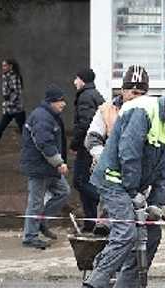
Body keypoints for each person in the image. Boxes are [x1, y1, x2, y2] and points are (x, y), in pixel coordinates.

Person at [76, 80, 165, 288]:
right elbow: (128, 154)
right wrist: (134, 192)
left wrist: (156, 203)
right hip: (113, 180)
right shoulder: (143, 111)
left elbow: (164, 169)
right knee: (126, 232)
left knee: (151, 233)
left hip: (130, 187)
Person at [84, 64, 150, 235]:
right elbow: (92, 138)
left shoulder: (151, 111)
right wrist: (105, 159)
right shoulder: (106, 110)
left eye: (142, 94)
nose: (137, 98)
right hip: (109, 178)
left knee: (136, 228)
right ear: (123, 90)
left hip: (138, 177)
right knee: (106, 227)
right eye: (133, 93)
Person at [19, 85, 70, 249]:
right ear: (52, 102)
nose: (64, 104)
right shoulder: (42, 117)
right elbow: (44, 142)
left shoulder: (50, 115)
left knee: (63, 192)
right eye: (60, 100)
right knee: (35, 202)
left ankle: (41, 221)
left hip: (47, 167)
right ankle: (30, 237)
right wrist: (58, 162)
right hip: (39, 167)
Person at [71, 68, 105, 232]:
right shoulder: (95, 94)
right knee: (86, 183)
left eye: (76, 79)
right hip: (93, 146)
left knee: (79, 182)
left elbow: (84, 125)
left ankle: (107, 201)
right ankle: (90, 223)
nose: (74, 82)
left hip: (86, 147)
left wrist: (75, 144)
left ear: (82, 80)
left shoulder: (85, 96)